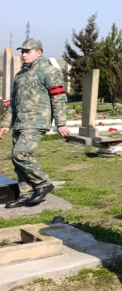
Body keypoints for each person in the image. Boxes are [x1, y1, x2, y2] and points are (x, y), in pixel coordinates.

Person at [0, 39, 70, 208]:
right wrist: (6, 124)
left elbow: (59, 98)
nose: (24, 54)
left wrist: (61, 123)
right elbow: (13, 103)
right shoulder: (20, 75)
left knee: (21, 154)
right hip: (20, 122)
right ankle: (26, 193)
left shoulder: (49, 71)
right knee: (17, 160)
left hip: (37, 121)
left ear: (39, 52)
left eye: (28, 51)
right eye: (23, 51)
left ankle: (43, 183)